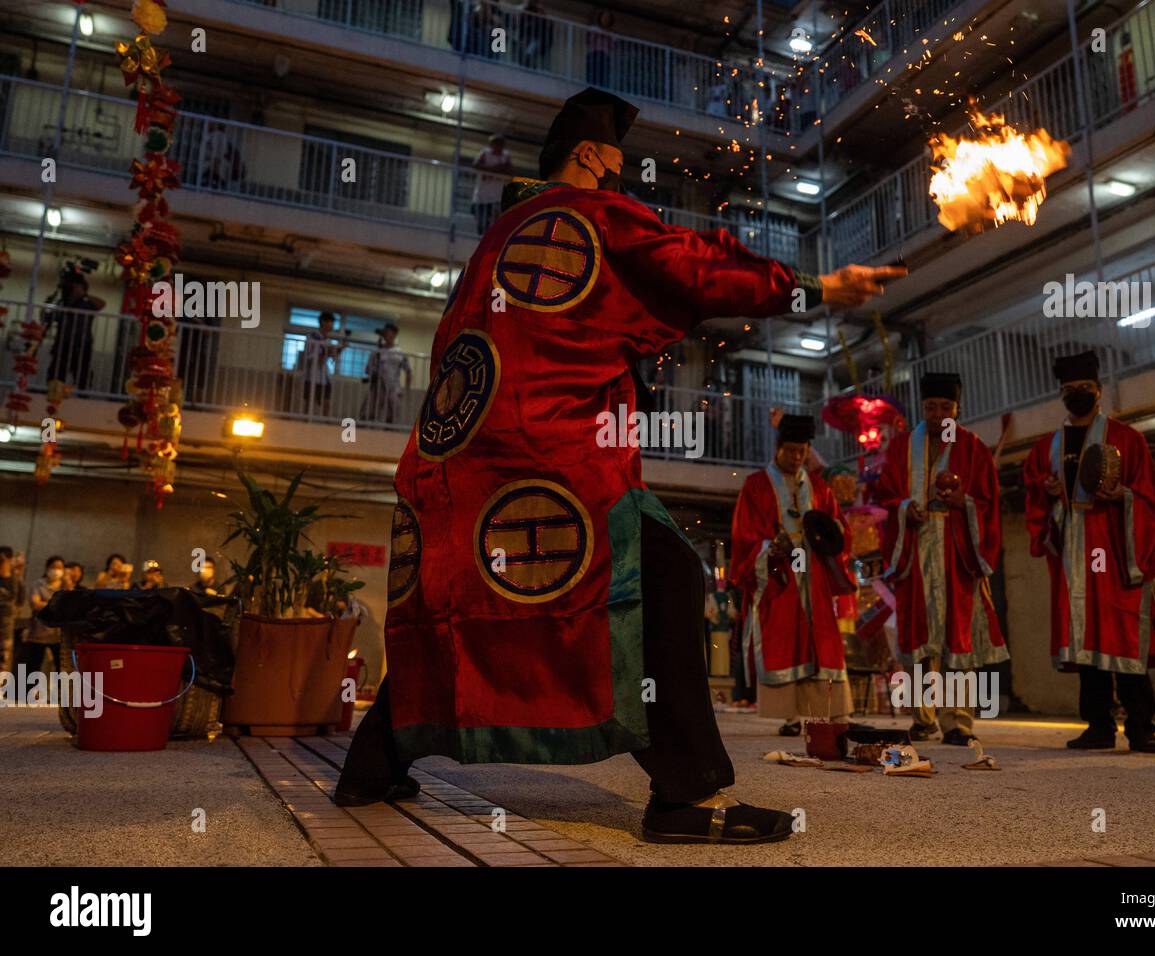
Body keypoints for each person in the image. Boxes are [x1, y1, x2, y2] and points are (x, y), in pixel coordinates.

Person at [335, 87, 905, 845]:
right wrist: (811, 288)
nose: (623, 171)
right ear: (591, 154)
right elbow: (689, 267)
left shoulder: (496, 240)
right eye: (618, 157)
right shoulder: (596, 220)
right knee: (663, 576)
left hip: (458, 457)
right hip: (551, 449)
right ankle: (682, 797)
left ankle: (370, 765)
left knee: (454, 600)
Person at [1023, 350, 1155, 753]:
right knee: (1086, 639)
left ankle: (1142, 729)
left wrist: (1122, 495)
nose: (1077, 395)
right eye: (1069, 390)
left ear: (1100, 391)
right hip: (1075, 553)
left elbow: (1150, 498)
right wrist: (1050, 494)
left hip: (1118, 550)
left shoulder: (1128, 439)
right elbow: (1035, 496)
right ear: (1061, 395)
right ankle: (1098, 726)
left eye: (1084, 389)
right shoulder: (1047, 447)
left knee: (1125, 638)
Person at [876, 372, 1008, 744]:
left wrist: (962, 503)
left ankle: (958, 721)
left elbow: (988, 501)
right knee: (918, 638)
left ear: (957, 408)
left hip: (957, 551)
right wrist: (904, 509)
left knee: (957, 639)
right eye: (930, 407)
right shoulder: (901, 447)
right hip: (914, 550)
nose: (937, 415)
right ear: (922, 408)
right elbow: (885, 494)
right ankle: (922, 718)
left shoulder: (973, 447)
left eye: (945, 408)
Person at [731, 414, 855, 736]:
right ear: (777, 448)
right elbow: (745, 535)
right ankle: (789, 715)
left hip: (812, 570)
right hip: (779, 573)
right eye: (789, 451)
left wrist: (832, 533)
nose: (796, 457)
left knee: (820, 640)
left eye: (801, 452)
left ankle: (822, 711)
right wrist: (770, 547)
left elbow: (839, 526)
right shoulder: (755, 485)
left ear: (808, 449)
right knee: (786, 638)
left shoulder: (819, 486)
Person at [46, 271, 105, 390]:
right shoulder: (61, 303)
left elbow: (101, 304)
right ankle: (54, 393)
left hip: (82, 344)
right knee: (56, 373)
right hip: (63, 343)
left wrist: (84, 294)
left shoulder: (86, 303)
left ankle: (83, 396)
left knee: (82, 374)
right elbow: (47, 318)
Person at [20, 556, 65, 677]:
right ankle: (28, 691)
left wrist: (46, 603)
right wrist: (56, 604)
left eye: (60, 568)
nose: (56, 570)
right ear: (47, 568)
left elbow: (68, 605)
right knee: (34, 664)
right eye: (53, 567)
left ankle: (60, 692)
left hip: (58, 633)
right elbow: (35, 604)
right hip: (38, 631)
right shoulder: (38, 584)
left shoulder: (65, 585)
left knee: (60, 666)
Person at [363, 323, 412, 424]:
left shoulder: (399, 353)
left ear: (394, 335)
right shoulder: (376, 352)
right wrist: (374, 373)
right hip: (378, 386)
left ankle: (389, 434)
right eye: (385, 333)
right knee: (372, 411)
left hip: (394, 387)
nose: (387, 336)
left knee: (393, 413)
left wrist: (407, 389)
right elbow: (368, 370)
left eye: (390, 333)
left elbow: (408, 370)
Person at [302, 311, 347, 418]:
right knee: (309, 402)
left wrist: (340, 349)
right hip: (312, 375)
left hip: (324, 375)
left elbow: (331, 355)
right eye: (330, 322)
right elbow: (313, 357)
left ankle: (325, 425)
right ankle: (305, 422)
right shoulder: (312, 337)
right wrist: (328, 352)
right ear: (323, 322)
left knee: (326, 402)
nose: (332, 326)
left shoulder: (328, 340)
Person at [472, 135, 514, 234]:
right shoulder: (485, 153)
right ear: (491, 145)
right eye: (495, 144)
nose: (497, 147)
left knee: (495, 225)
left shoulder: (506, 156)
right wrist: (496, 169)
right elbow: (476, 165)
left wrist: (491, 171)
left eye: (500, 144)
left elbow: (510, 172)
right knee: (481, 224)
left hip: (497, 197)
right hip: (481, 196)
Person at [0, 547, 25, 675]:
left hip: (6, 626)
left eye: (2, 560)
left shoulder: (16, 581)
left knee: (4, 657)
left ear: (9, 560)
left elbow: (20, 602)